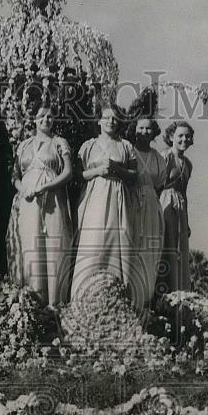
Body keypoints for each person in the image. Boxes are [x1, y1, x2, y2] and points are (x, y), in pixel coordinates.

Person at [71, 104, 144, 307]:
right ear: (99, 121)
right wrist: (97, 172)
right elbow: (78, 174)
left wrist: (117, 169)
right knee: (93, 241)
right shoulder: (89, 146)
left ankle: (116, 298)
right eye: (107, 118)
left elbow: (134, 175)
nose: (111, 121)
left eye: (114, 118)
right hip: (95, 196)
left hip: (118, 198)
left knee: (116, 240)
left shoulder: (126, 146)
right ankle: (83, 297)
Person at [8, 105, 75, 306]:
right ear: (34, 120)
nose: (46, 119)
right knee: (29, 241)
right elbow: (14, 175)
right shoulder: (24, 145)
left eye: (50, 117)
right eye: (41, 116)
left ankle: (53, 301)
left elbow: (68, 172)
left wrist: (45, 187)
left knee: (51, 242)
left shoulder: (59, 142)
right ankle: (31, 299)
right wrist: (23, 189)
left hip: (52, 198)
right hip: (27, 200)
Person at [128, 117, 166, 306]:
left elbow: (159, 184)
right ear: (134, 129)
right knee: (132, 244)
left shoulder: (158, 158)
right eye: (141, 128)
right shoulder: (128, 150)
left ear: (154, 132)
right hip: (131, 201)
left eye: (148, 129)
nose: (144, 132)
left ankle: (144, 300)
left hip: (151, 204)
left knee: (148, 249)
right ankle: (128, 297)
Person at [158, 120, 194, 294]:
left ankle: (178, 291)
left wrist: (186, 222)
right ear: (172, 136)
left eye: (188, 136)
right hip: (165, 202)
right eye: (180, 136)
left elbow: (185, 193)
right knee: (166, 247)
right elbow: (157, 185)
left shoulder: (188, 164)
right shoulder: (165, 156)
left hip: (180, 207)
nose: (184, 139)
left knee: (179, 250)